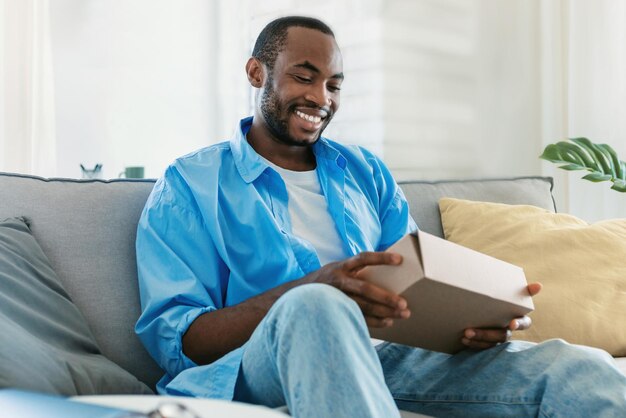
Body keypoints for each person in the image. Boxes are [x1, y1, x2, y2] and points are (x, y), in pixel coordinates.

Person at [135, 16, 626, 417]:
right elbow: (182, 341)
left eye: (333, 85)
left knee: (583, 370)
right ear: (256, 72)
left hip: (387, 356)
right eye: (304, 76)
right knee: (316, 307)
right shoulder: (190, 183)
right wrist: (315, 288)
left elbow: (414, 277)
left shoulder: (364, 172)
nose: (321, 99)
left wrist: (466, 322)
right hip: (256, 366)